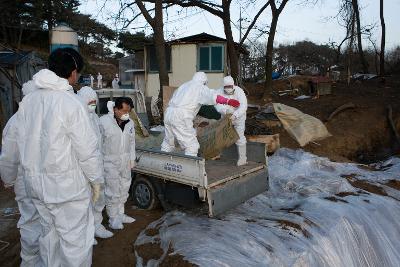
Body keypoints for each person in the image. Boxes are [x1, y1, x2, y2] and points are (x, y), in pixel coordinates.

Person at [5, 47, 103, 266]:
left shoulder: (28, 102)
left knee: (49, 239)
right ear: (74, 71)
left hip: (37, 188)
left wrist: (8, 175)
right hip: (68, 190)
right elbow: (87, 151)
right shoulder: (70, 103)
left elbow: (12, 144)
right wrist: (96, 180)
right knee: (75, 243)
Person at [0, 80, 40, 266]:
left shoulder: (16, 121)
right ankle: (31, 260)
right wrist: (8, 179)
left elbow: (9, 157)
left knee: (37, 221)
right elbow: (9, 157)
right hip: (31, 180)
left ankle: (38, 259)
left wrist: (8, 179)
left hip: (39, 180)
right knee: (34, 222)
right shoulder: (19, 122)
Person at [160, 72, 240, 156]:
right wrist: (228, 101)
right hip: (181, 116)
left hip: (169, 113)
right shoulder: (200, 87)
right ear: (204, 82)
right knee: (192, 146)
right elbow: (213, 96)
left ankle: (161, 161)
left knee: (168, 142)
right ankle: (189, 167)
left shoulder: (184, 85)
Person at [77, 86, 114, 240]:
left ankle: (97, 226)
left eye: (94, 102)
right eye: (90, 102)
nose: (93, 105)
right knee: (84, 202)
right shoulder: (78, 118)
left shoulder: (95, 118)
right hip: (83, 168)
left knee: (99, 198)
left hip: (97, 164)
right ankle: (86, 233)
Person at [99, 97, 136, 230]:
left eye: (129, 111)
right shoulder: (103, 122)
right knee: (112, 191)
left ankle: (121, 214)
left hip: (125, 162)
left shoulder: (130, 123)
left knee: (124, 188)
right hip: (109, 162)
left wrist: (132, 159)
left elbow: (132, 143)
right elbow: (98, 144)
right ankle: (113, 218)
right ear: (115, 109)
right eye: (124, 110)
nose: (127, 113)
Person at [215, 76, 248, 166]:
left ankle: (242, 158)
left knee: (240, 137)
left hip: (239, 117)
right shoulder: (219, 91)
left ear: (233, 85)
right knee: (221, 134)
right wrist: (225, 111)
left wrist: (235, 115)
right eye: (226, 87)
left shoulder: (239, 91)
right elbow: (217, 105)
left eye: (230, 87)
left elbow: (244, 106)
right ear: (223, 86)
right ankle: (219, 154)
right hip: (225, 117)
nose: (228, 89)